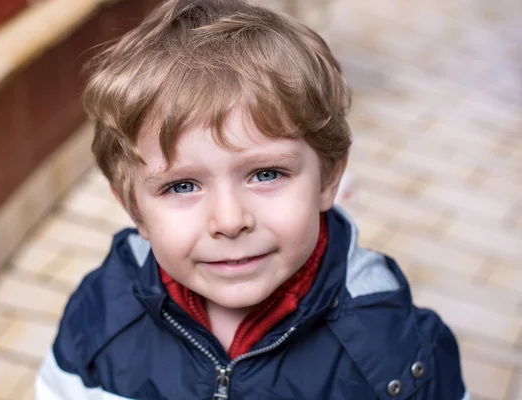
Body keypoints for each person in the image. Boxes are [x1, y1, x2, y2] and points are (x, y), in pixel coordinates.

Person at [36, 0, 468, 398]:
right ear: (134, 208)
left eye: (266, 174)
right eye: (182, 185)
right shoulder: (104, 316)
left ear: (329, 177)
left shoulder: (394, 347)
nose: (229, 220)